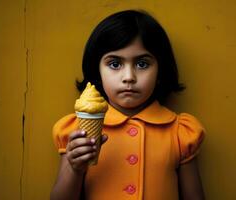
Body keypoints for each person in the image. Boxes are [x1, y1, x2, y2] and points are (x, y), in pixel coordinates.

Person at [50, 9, 205, 200]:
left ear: (160, 70)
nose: (129, 77)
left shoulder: (180, 132)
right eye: (115, 64)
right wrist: (74, 169)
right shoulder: (77, 131)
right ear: (97, 72)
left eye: (142, 64)